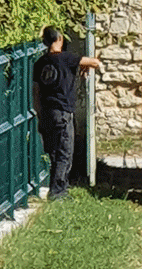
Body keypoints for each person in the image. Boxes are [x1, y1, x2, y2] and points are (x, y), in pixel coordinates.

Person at [32, 26, 100, 200]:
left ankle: (54, 188)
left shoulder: (40, 63)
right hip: (63, 112)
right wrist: (88, 65)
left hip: (47, 112)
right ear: (60, 39)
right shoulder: (67, 58)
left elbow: (36, 92)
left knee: (54, 152)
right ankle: (58, 192)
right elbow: (94, 62)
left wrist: (39, 114)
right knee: (64, 153)